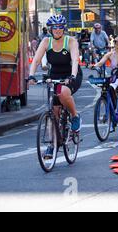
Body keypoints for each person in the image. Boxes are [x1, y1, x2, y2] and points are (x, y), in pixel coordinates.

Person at [28, 15, 83, 158]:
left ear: (64, 28)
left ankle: (75, 116)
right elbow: (36, 60)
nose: (57, 30)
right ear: (51, 29)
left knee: (63, 92)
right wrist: (31, 75)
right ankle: (53, 144)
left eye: (60, 27)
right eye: (55, 27)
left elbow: (75, 60)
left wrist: (72, 76)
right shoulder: (46, 41)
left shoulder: (70, 41)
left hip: (71, 74)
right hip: (54, 75)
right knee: (54, 112)